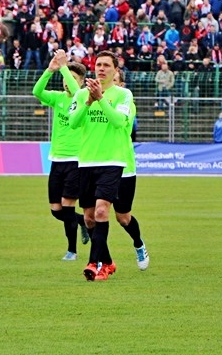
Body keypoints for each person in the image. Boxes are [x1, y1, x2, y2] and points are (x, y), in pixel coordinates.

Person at [68, 51, 135, 282]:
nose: (102, 68)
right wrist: (88, 101)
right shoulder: (80, 94)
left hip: (112, 162)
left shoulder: (123, 94)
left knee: (101, 211)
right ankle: (107, 261)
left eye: (107, 65)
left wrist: (101, 99)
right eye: (98, 64)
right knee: (88, 218)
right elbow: (74, 124)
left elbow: (118, 122)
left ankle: (94, 264)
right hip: (86, 162)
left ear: (115, 70)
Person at [32, 50, 89, 261]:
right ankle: (84, 220)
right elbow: (37, 92)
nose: (67, 82)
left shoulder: (83, 97)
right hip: (56, 160)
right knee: (56, 211)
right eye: (66, 78)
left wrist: (64, 68)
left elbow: (76, 92)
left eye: (73, 78)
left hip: (75, 160)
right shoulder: (57, 98)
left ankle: (72, 251)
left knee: (67, 206)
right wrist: (50, 70)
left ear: (82, 82)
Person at [113, 70, 150, 271]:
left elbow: (118, 123)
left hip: (124, 167)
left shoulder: (128, 104)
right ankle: (101, 261)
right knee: (93, 215)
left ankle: (138, 244)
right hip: (98, 164)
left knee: (123, 218)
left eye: (116, 81)